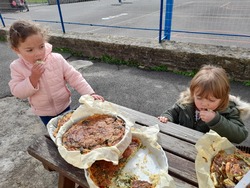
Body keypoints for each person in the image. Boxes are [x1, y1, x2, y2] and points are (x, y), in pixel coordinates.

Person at [8, 20, 104, 126]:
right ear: (16, 49)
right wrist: (33, 78)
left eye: (41, 46)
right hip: (44, 112)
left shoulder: (56, 59)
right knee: (54, 133)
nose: (38, 53)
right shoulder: (17, 67)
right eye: (30, 50)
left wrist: (90, 93)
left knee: (70, 129)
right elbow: (17, 91)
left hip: (64, 105)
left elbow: (74, 77)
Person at [158, 65, 250, 144]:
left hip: (210, 154)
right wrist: (167, 117)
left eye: (211, 100)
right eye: (199, 98)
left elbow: (241, 136)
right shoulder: (186, 102)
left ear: (222, 99)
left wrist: (216, 120)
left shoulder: (228, 110)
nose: (204, 104)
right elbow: (172, 112)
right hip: (182, 143)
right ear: (193, 93)